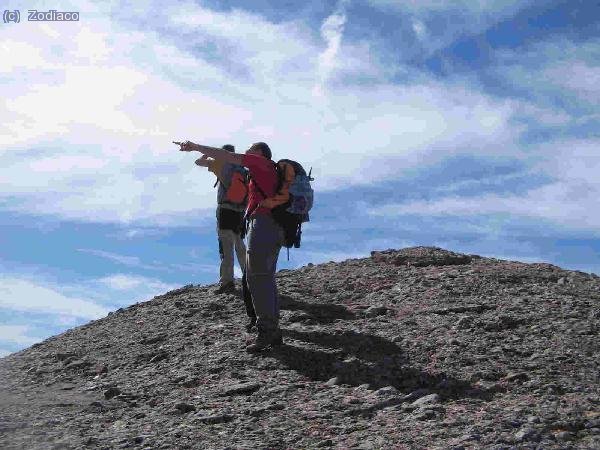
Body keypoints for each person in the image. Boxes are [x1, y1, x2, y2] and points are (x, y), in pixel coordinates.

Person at [179, 141, 284, 353]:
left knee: (256, 276)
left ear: (260, 153)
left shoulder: (257, 162)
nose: (247, 150)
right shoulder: (260, 170)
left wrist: (194, 146)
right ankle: (273, 329)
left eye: (252, 148)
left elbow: (219, 156)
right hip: (267, 223)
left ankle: (266, 329)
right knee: (263, 274)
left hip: (261, 222)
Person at [194, 144, 246, 294]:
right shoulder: (242, 168)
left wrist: (208, 155)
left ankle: (227, 282)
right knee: (240, 246)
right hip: (241, 211)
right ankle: (250, 279)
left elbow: (198, 162)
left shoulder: (220, 164)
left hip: (225, 210)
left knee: (226, 246)